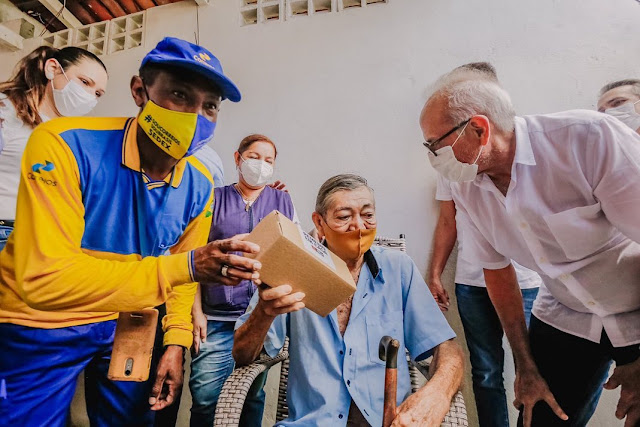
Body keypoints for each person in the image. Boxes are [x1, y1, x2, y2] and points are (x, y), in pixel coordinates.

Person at [0, 37, 264, 426]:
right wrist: (187, 267)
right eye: (179, 95)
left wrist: (175, 342)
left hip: (126, 321)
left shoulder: (199, 184)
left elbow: (182, 274)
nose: (195, 116)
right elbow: (44, 281)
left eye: (209, 106)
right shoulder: (64, 145)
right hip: (39, 322)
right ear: (140, 92)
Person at [419, 69, 640, 427]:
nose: (432, 156)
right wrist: (525, 366)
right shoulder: (466, 185)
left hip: (635, 305)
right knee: (539, 417)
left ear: (479, 129)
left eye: (434, 144)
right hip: (566, 313)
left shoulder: (587, 139)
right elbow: (496, 272)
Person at [233, 174, 464, 426]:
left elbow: (449, 349)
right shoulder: (292, 269)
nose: (359, 226)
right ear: (319, 224)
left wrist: (436, 395)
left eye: (368, 215)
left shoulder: (398, 269)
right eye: (344, 217)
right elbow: (243, 355)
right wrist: (263, 314)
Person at [428, 62, 541, 427]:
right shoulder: (455, 169)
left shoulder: (534, 158)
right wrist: (435, 273)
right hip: (472, 284)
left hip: (527, 285)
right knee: (487, 372)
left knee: (534, 370)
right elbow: (449, 222)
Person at [189, 133, 298, 426]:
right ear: (238, 159)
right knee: (205, 396)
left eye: (268, 160)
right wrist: (196, 311)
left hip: (258, 319)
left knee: (252, 393)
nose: (260, 165)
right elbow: (194, 258)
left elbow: (296, 252)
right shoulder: (213, 198)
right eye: (253, 157)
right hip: (215, 319)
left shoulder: (283, 201)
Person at [0, 46, 108, 251]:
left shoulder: (68, 137)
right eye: (84, 82)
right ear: (52, 69)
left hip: (44, 238)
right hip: (7, 231)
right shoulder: (6, 110)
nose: (90, 96)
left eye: (98, 93)